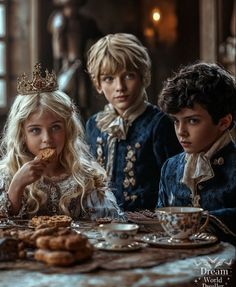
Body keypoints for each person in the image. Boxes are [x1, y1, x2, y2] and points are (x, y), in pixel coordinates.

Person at [0, 63, 125, 221]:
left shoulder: (86, 176)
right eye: (35, 130)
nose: (47, 138)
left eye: (56, 127)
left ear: (68, 129)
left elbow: (111, 223)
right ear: (22, 134)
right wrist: (16, 186)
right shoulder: (7, 175)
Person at [85, 33, 182, 211]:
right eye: (109, 79)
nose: (119, 87)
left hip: (147, 225)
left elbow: (175, 184)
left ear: (143, 76)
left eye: (128, 76)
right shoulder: (93, 125)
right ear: (98, 84)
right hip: (99, 223)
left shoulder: (159, 124)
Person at [157, 62, 236, 244]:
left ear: (224, 122)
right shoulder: (170, 168)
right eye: (176, 121)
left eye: (192, 121)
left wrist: (203, 220)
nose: (181, 131)